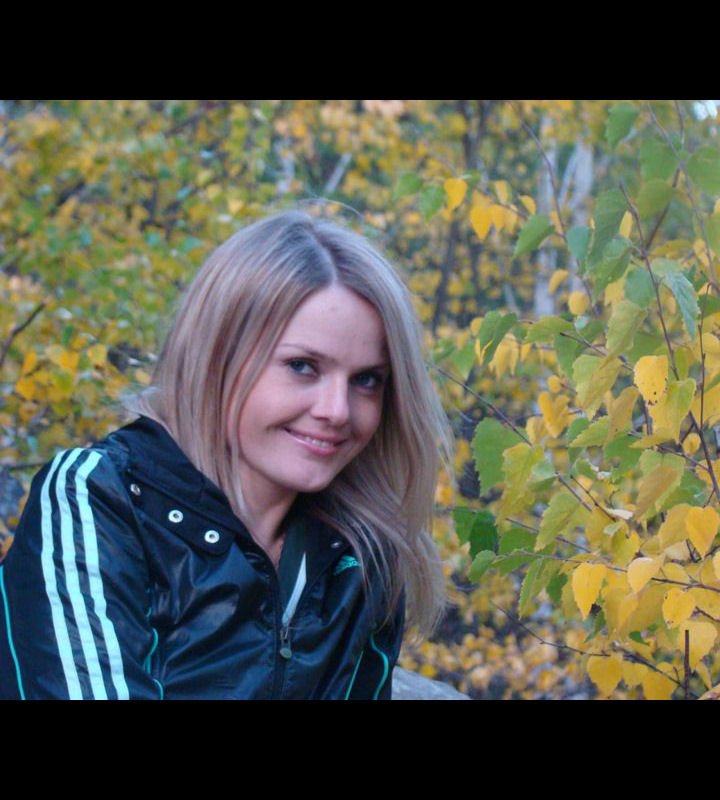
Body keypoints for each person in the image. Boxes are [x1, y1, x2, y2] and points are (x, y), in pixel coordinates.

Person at [0, 210, 450, 699]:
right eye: (302, 366)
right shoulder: (99, 498)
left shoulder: (358, 558)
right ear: (217, 354)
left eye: (366, 379)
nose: (337, 410)